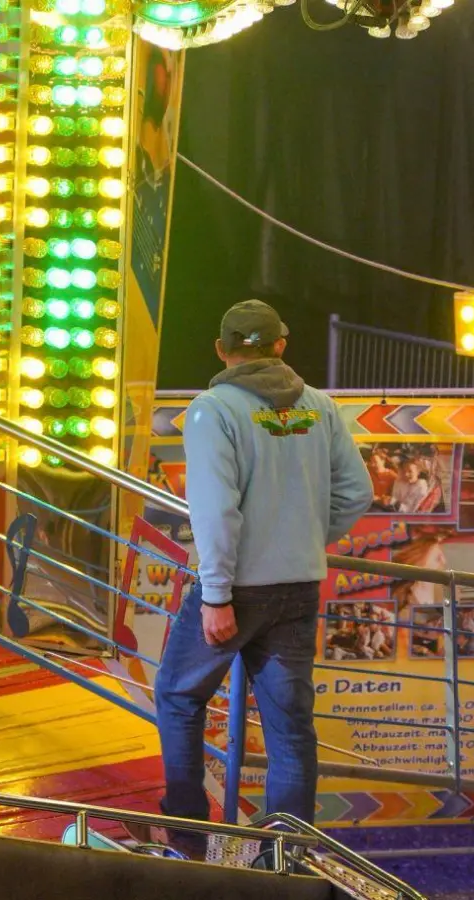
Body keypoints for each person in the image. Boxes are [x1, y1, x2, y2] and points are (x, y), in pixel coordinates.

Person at [154, 300, 371, 835]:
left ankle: (187, 836)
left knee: (178, 696)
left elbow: (214, 509)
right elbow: (357, 492)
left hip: (237, 591)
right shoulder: (320, 406)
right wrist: (303, 538)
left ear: (221, 351)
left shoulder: (213, 409)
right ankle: (287, 855)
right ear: (280, 345)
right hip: (298, 585)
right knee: (291, 729)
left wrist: (217, 595)